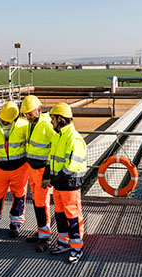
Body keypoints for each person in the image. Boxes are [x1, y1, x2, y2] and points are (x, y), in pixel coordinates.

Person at [42, 102, 87, 264]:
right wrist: (46, 176)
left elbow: (71, 168)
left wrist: (51, 180)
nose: (51, 122)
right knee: (60, 214)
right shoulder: (58, 136)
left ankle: (77, 247)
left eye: (53, 119)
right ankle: (63, 241)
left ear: (60, 119)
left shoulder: (74, 139)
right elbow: (50, 159)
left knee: (73, 216)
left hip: (70, 185)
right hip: (60, 184)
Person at [0, 101, 29, 238]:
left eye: (8, 121)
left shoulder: (24, 125)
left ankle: (15, 224)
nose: (5, 123)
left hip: (20, 168)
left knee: (19, 196)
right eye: (4, 120)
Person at [19, 95, 55, 252]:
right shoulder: (31, 124)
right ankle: (42, 230)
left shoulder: (46, 124)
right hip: (32, 169)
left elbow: (55, 148)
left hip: (41, 171)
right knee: (36, 202)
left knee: (41, 203)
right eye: (26, 114)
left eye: (30, 114)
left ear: (38, 110)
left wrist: (48, 173)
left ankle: (44, 236)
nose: (28, 117)